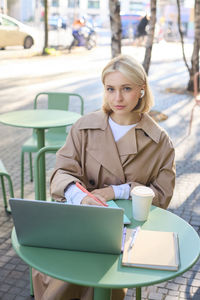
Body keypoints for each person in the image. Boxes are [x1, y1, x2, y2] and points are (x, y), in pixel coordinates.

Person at [32, 54, 176, 300]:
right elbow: (62, 172)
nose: (117, 98)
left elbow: (162, 196)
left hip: (129, 232)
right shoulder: (83, 126)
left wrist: (118, 191)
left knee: (102, 278)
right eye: (110, 89)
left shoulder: (159, 141)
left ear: (141, 90)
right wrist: (81, 196)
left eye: (126, 88)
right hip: (81, 218)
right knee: (58, 270)